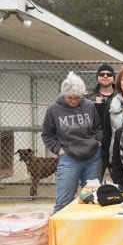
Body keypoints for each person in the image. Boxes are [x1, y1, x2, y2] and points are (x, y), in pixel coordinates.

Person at [42, 72, 102, 213]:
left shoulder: (88, 105)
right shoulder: (53, 109)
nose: (74, 101)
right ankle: (61, 234)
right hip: (69, 157)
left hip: (92, 156)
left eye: (77, 97)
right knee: (64, 201)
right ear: (64, 94)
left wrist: (98, 141)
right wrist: (59, 150)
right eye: (70, 98)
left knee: (92, 199)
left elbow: (98, 127)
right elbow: (47, 134)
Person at [86, 64, 116, 179]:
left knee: (120, 183)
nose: (105, 76)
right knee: (93, 183)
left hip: (114, 145)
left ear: (113, 78)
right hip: (95, 145)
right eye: (101, 74)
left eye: (109, 74)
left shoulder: (120, 95)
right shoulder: (88, 96)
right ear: (97, 77)